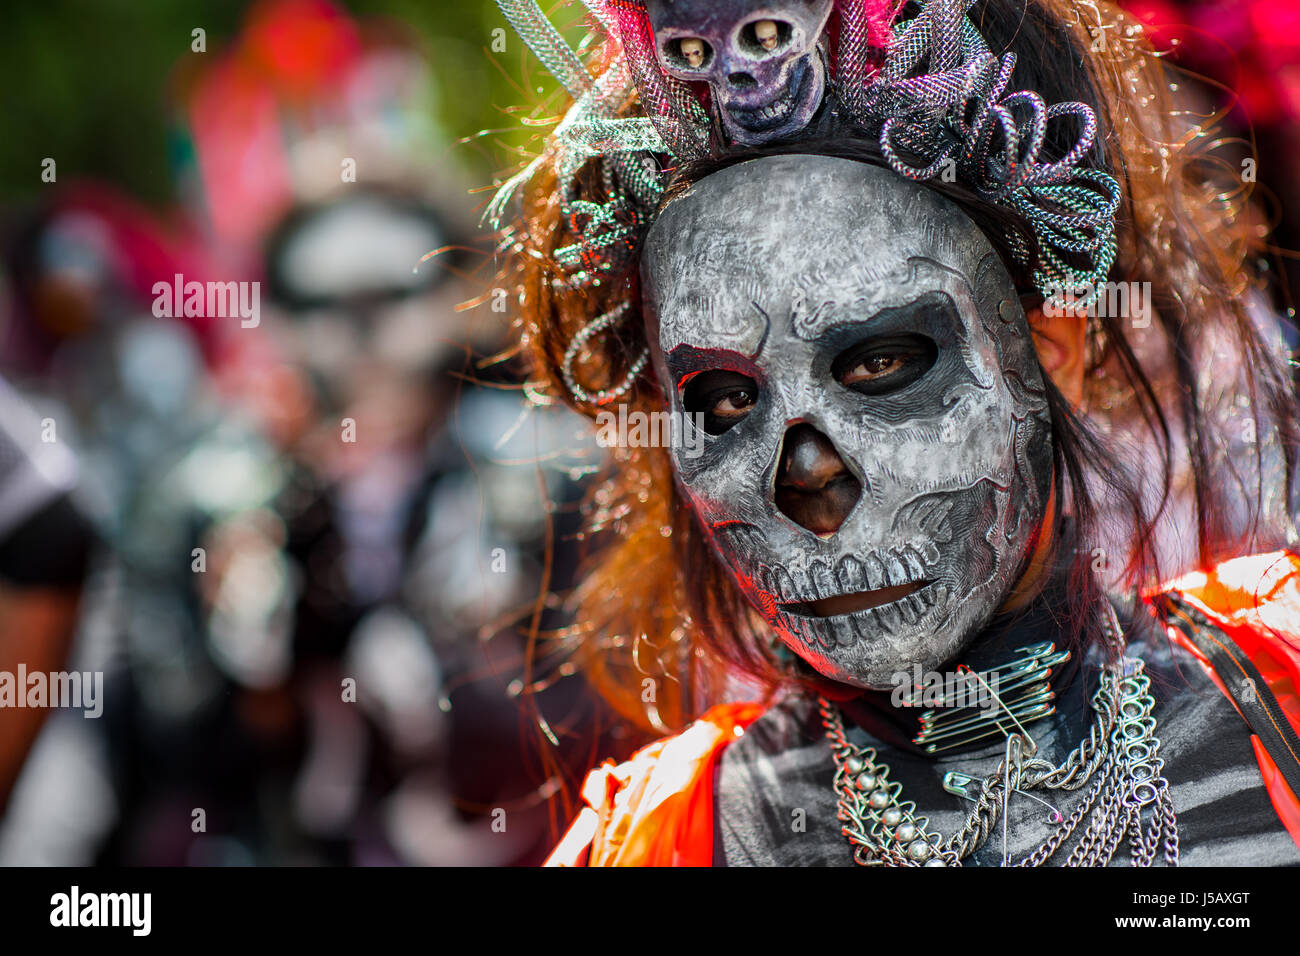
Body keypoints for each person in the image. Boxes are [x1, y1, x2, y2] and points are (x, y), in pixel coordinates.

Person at [490, 0, 1300, 865]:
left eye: (879, 364)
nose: (807, 478)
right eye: (726, 401)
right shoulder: (673, 842)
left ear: (1051, 345)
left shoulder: (1277, 694)